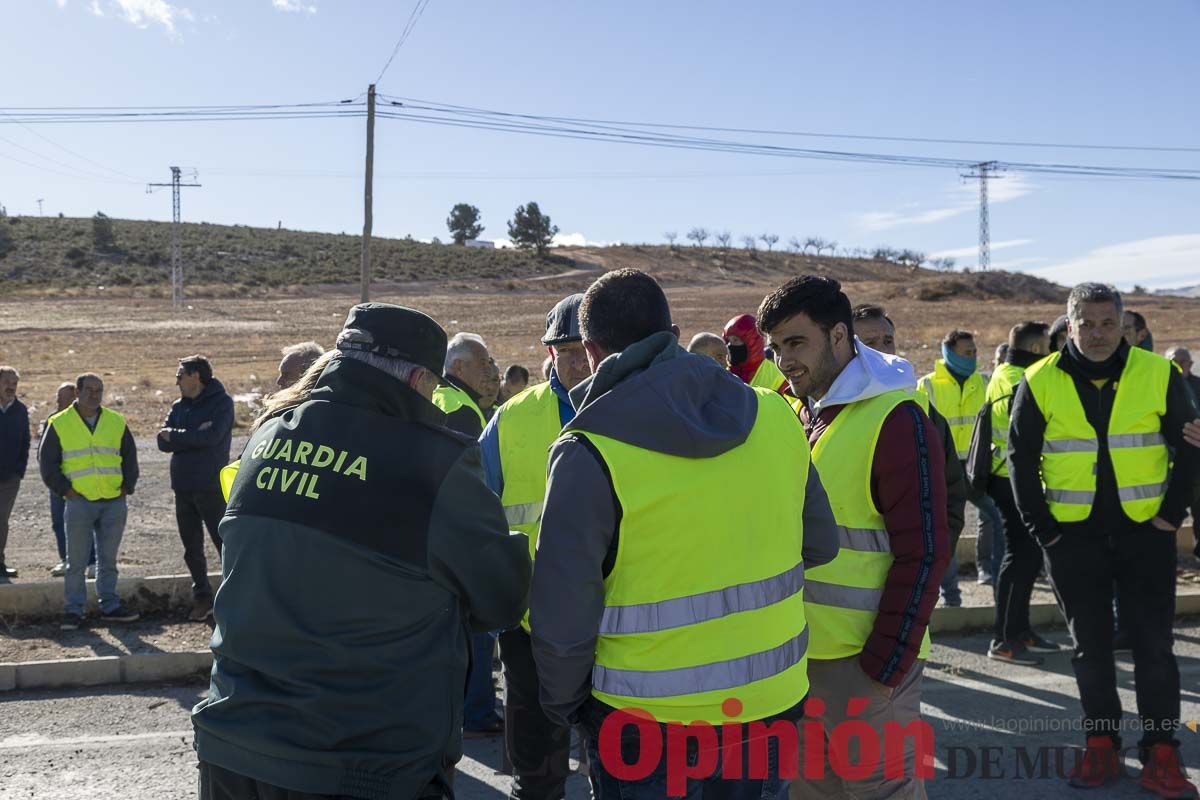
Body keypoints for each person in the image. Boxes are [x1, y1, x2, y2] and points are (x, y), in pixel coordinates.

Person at [191, 303, 531, 800]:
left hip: (233, 746)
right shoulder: (432, 461)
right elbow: (501, 597)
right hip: (363, 761)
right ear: (418, 379)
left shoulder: (267, 435)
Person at [531, 269, 838, 800]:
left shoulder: (587, 448)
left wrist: (564, 706)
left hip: (643, 724)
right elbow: (821, 544)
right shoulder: (776, 415)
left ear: (591, 349)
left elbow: (563, 609)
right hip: (769, 704)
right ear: (671, 335)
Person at [759, 278, 947, 799]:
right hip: (799, 661)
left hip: (865, 665)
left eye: (796, 343)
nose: (784, 361)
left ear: (839, 335)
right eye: (776, 349)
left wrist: (885, 665)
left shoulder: (896, 418)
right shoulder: (800, 412)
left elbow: (925, 549)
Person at [1008, 283, 1197, 796]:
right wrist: (1044, 531)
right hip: (1073, 540)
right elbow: (1020, 461)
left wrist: (1170, 517)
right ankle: (1102, 745)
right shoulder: (1038, 379)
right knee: (1089, 648)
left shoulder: (1159, 374)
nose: (1096, 334)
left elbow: (1191, 446)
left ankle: (1162, 752)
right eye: (1085, 324)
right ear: (1069, 325)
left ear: (1124, 326)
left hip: (1146, 536)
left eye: (1106, 323)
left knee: (1154, 647)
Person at [479, 293, 591, 800]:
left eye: (585, 348)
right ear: (548, 354)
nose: (576, 361)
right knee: (536, 770)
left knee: (616, 762)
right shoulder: (511, 419)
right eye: (564, 350)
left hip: (612, 617)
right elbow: (476, 509)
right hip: (528, 623)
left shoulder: (634, 408)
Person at [852, 305, 967, 607]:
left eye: (887, 341)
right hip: (841, 593)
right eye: (869, 344)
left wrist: (936, 559)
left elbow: (952, 490)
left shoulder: (922, 410)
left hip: (905, 588)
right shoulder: (823, 410)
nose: (882, 351)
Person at [432, 331, 505, 736]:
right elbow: (463, 482)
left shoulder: (445, 398)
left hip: (437, 540)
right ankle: (475, 713)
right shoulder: (460, 409)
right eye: (483, 363)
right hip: (459, 540)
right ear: (457, 368)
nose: (491, 371)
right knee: (476, 632)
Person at [983, 322, 1062, 665]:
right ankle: (1004, 639)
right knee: (1019, 560)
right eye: (1046, 345)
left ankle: (1020, 630)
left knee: (1026, 561)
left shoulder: (1005, 372)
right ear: (1034, 348)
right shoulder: (1020, 379)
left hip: (1005, 479)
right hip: (1009, 480)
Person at [40, 373, 140, 630]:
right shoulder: (60, 422)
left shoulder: (115, 421)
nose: (94, 395)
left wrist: (127, 486)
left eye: (99, 390)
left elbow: (129, 456)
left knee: (108, 560)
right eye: (89, 390)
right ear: (77, 391)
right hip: (79, 502)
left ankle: (110, 605)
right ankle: (74, 610)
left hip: (113, 502)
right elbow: (47, 463)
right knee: (76, 561)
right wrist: (66, 491)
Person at [918, 330, 1006, 588]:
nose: (973, 357)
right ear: (949, 353)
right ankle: (949, 593)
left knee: (994, 517)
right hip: (944, 466)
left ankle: (991, 574)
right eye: (967, 353)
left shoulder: (985, 382)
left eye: (975, 352)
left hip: (977, 464)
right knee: (946, 528)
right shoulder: (928, 385)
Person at [158, 355, 234, 622]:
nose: (176, 381)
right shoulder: (179, 406)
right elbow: (161, 440)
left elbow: (211, 437)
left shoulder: (222, 404)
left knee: (224, 544)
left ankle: (234, 597)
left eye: (180, 375)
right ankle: (202, 597)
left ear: (195, 376)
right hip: (183, 487)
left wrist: (178, 436)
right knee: (191, 548)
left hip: (210, 486)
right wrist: (190, 436)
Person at [42, 382, 94, 578]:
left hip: (82, 481)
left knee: (86, 522)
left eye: (63, 398)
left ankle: (91, 561)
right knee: (59, 521)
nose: (59, 401)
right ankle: (66, 560)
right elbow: (44, 455)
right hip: (58, 482)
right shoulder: (52, 421)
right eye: (58, 398)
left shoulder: (88, 420)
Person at [433, 333, 498, 438]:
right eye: (482, 363)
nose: (489, 371)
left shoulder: (435, 393)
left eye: (488, 363)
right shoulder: (463, 411)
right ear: (459, 367)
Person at [0, 365, 30, 581]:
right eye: (7, 382)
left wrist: (19, 470)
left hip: (9, 478)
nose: (11, 387)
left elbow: (25, 443)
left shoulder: (20, 410)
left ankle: (0, 564)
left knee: (1, 521)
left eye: (14, 383)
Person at [723, 312, 789, 393]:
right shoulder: (723, 374)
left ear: (751, 343)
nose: (730, 345)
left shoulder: (777, 377)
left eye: (735, 340)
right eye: (728, 341)